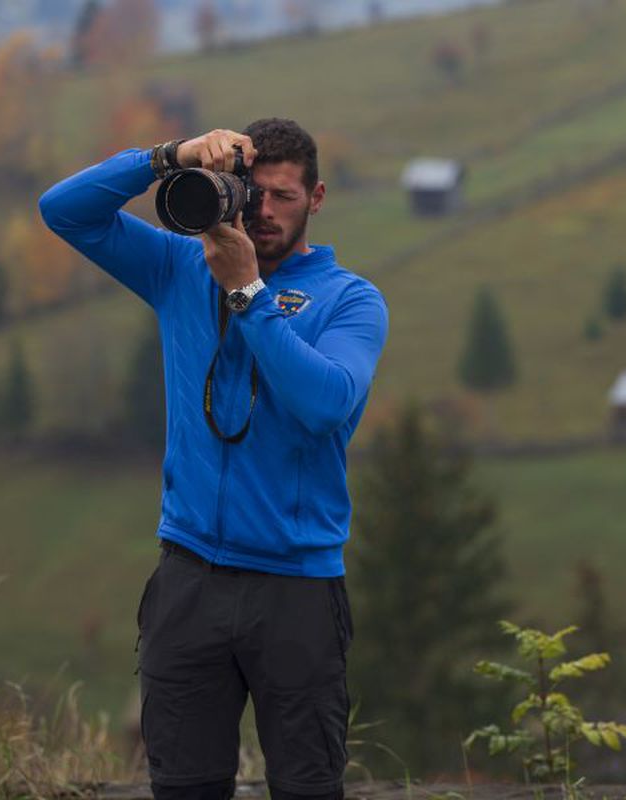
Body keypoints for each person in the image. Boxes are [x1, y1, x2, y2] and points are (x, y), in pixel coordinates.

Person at [39, 119, 389, 800]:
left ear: (316, 197)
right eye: (250, 193)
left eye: (284, 197)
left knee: (307, 786)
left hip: (296, 587)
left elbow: (325, 405)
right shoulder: (178, 266)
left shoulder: (351, 300)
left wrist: (250, 295)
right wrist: (168, 157)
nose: (264, 212)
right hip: (189, 579)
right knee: (184, 786)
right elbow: (64, 212)